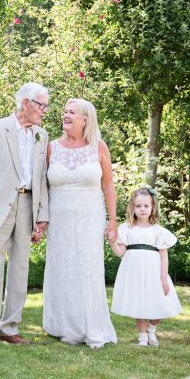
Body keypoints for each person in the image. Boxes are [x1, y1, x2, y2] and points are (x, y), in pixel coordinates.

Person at [0, 82, 50, 351]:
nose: (45, 111)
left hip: (28, 205)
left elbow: (42, 179)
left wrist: (42, 216)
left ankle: (10, 328)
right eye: (41, 105)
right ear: (25, 103)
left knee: (20, 269)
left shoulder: (41, 135)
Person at [42, 98, 118, 349]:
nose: (66, 115)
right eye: (64, 111)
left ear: (86, 119)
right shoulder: (51, 148)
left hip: (89, 219)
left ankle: (90, 326)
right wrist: (39, 220)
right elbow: (41, 187)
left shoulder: (99, 147)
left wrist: (113, 221)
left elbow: (108, 185)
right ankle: (63, 325)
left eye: (72, 112)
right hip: (59, 220)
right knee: (62, 269)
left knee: (87, 270)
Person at [109, 187, 182, 346]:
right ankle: (142, 336)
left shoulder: (159, 231)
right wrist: (112, 242)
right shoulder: (126, 229)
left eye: (146, 206)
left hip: (154, 271)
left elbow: (163, 256)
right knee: (139, 302)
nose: (142, 209)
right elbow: (120, 252)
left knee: (163, 302)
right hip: (134, 271)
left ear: (152, 207)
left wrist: (163, 277)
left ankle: (151, 329)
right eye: (138, 206)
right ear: (132, 208)